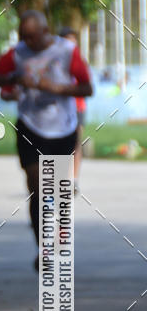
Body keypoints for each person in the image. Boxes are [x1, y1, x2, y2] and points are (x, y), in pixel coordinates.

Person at [0, 10, 92, 269]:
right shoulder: (18, 53)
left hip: (62, 128)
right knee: (37, 186)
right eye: (23, 36)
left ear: (45, 31)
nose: (27, 42)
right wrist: (13, 78)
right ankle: (43, 247)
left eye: (32, 36)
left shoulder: (66, 51)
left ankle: (60, 240)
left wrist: (58, 88)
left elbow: (87, 88)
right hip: (30, 125)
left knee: (58, 189)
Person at [59, 28, 88, 194]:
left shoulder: (80, 62)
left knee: (76, 142)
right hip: (60, 109)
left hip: (77, 107)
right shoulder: (54, 62)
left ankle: (74, 179)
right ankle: (61, 178)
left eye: (73, 41)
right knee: (60, 144)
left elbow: (87, 86)